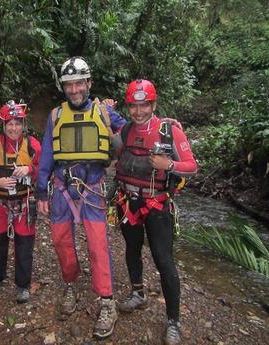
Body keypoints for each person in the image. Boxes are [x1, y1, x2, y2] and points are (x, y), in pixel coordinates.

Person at [36, 56, 126, 340]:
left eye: (79, 84)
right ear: (63, 87)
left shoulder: (104, 113)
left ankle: (107, 300)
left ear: (89, 83)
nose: (74, 90)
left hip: (93, 188)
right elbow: (47, 155)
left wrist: (163, 125)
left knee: (98, 245)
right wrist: (41, 190)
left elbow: (134, 132)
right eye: (68, 85)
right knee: (62, 241)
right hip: (62, 188)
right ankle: (71, 283)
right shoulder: (55, 116)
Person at [114, 79, 198, 345]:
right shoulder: (125, 130)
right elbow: (107, 138)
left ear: (153, 104)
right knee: (131, 249)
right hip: (128, 202)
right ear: (128, 107)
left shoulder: (169, 131)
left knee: (164, 260)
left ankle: (173, 321)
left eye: (144, 105)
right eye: (134, 106)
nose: (139, 111)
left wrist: (168, 163)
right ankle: (137, 293)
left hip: (158, 205)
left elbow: (192, 166)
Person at [0, 100, 41, 303]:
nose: (14, 128)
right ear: (3, 125)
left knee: (25, 244)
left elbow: (44, 170)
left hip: (25, 202)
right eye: (10, 123)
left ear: (23, 125)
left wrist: (30, 169)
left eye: (18, 123)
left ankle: (23, 285)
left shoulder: (32, 145)